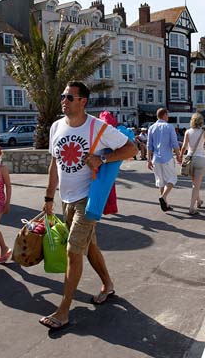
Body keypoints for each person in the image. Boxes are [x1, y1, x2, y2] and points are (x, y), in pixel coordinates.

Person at [39, 81, 137, 330]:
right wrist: (49, 198)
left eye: (69, 97)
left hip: (87, 199)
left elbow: (131, 148)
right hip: (65, 198)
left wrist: (102, 158)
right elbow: (54, 165)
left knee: (74, 251)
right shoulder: (56, 127)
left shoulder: (97, 127)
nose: (64, 100)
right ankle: (108, 285)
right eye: (63, 96)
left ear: (83, 101)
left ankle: (63, 311)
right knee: (89, 246)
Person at [147, 108, 182, 211]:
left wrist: (148, 160)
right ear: (165, 115)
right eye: (167, 115)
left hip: (156, 158)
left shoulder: (151, 128)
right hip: (167, 157)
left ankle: (165, 204)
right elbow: (175, 143)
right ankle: (163, 197)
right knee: (172, 179)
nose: (168, 117)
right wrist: (179, 156)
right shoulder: (169, 127)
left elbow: (149, 145)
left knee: (161, 181)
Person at [180, 113, 205, 215]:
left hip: (190, 159)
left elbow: (184, 146)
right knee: (196, 185)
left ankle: (198, 201)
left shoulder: (188, 132)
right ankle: (191, 208)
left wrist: (180, 156)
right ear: (201, 122)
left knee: (195, 183)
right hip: (200, 159)